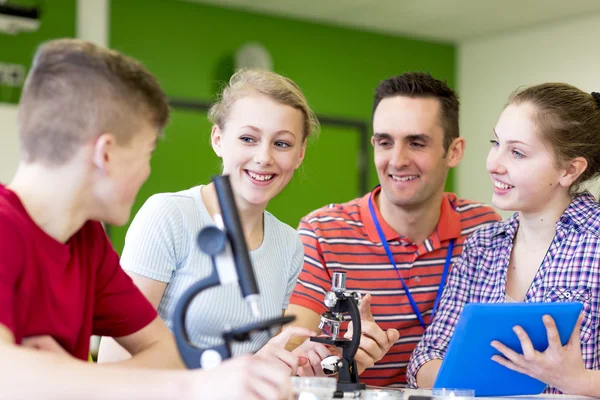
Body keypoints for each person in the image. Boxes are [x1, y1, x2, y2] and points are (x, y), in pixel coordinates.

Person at [0, 38, 293, 400]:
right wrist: (198, 386)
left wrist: (60, 376)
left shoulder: (86, 238)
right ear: (105, 154)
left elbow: (166, 354)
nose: (146, 171)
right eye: (147, 152)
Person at [98, 68, 335, 376]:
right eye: (248, 138)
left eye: (282, 143)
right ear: (218, 139)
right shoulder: (169, 216)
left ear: (300, 153)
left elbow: (261, 360)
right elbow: (115, 362)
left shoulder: (288, 243)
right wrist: (240, 371)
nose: (264, 157)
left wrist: (305, 359)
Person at [285, 72, 502, 387]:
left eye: (416, 143)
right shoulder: (322, 232)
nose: (397, 160)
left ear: (454, 151)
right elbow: (293, 353)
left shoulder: (483, 228)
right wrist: (339, 358)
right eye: (385, 142)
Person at [407, 84, 600, 397]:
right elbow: (426, 357)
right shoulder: (482, 245)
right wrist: (462, 375)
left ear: (569, 169)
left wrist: (579, 381)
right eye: (496, 143)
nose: (493, 163)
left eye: (517, 152)